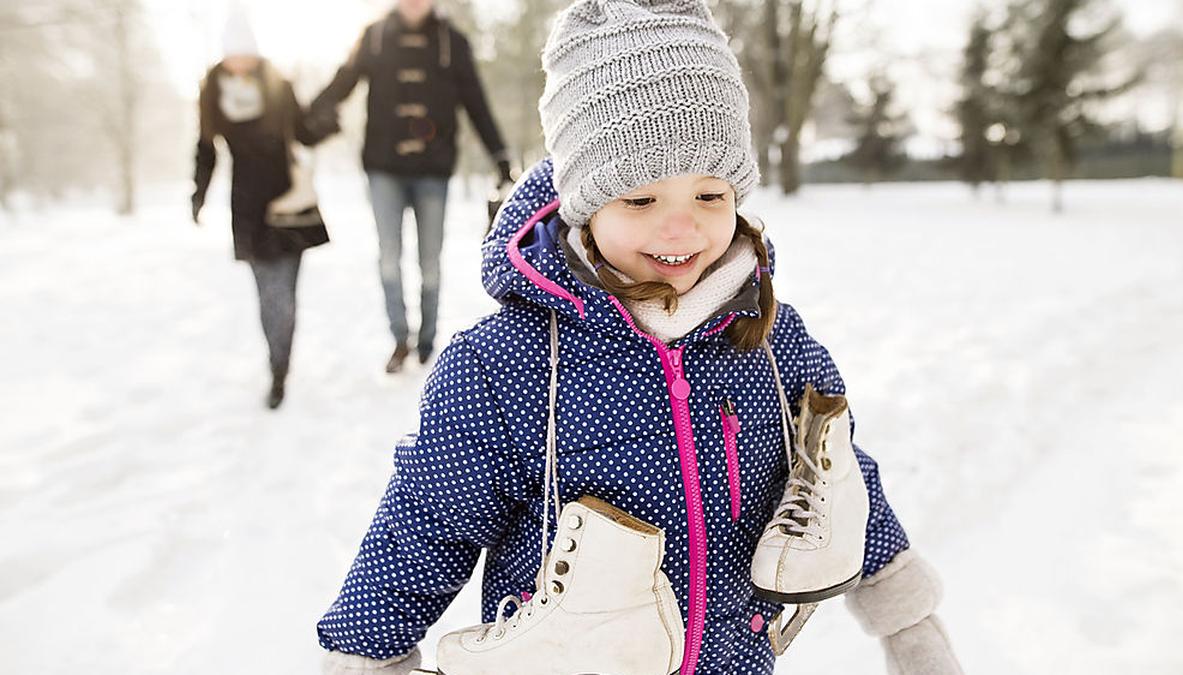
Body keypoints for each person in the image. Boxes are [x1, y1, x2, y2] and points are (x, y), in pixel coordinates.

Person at [316, 2, 962, 674]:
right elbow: (427, 521)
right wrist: (369, 654)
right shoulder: (505, 364)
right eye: (641, 199)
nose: (680, 230)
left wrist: (904, 612)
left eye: (710, 196)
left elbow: (834, 471)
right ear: (584, 205)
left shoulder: (770, 338)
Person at [308, 0, 513, 372]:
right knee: (389, 258)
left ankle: (427, 340)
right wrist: (312, 113)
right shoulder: (374, 37)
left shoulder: (453, 42)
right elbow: (344, 80)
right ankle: (399, 339)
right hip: (383, 168)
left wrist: (499, 154)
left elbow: (475, 102)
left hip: (432, 171)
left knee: (430, 262)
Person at [192, 8, 329, 410]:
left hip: (288, 202)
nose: (241, 62)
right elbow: (205, 149)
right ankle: (277, 369)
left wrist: (326, 118)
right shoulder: (211, 91)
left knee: (285, 296)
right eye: (234, 54)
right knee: (267, 295)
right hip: (248, 207)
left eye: (246, 53)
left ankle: (281, 362)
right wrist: (197, 195)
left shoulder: (278, 84)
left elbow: (304, 131)